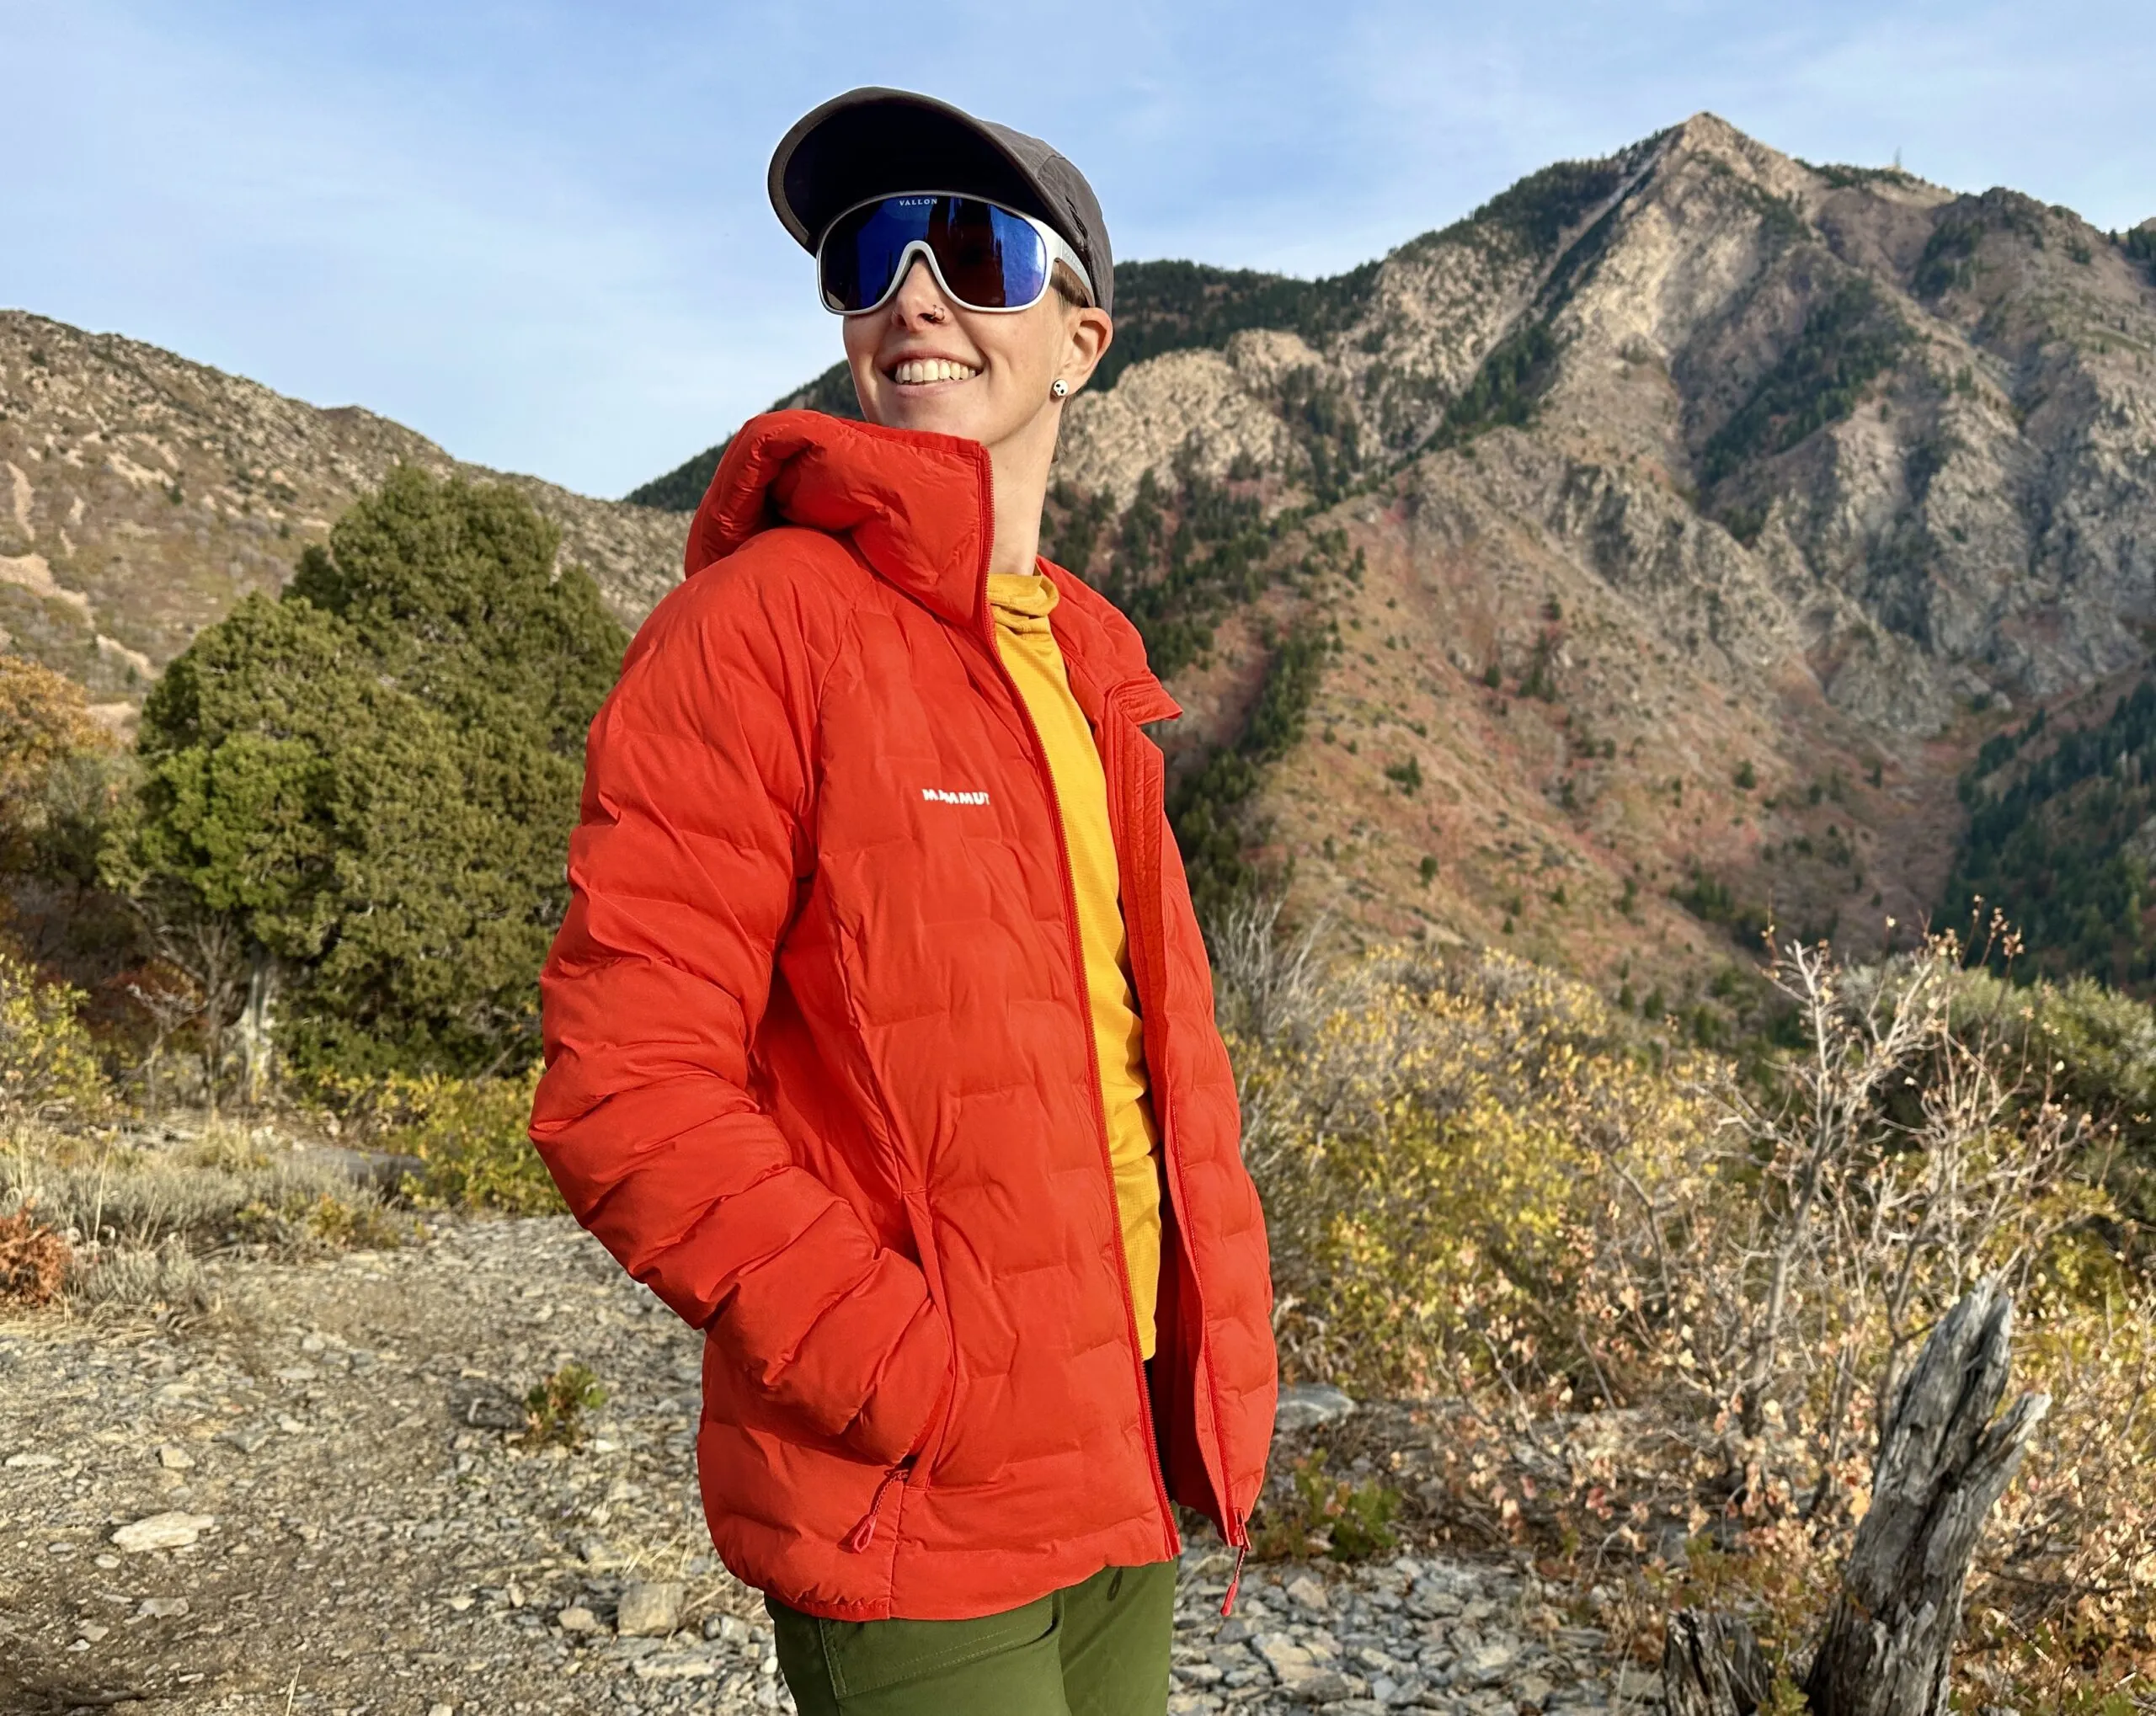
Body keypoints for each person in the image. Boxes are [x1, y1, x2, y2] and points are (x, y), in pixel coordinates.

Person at [530, 87, 1277, 1715]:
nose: (915, 294)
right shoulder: (762, 627)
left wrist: (1212, 1374)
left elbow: (1143, 1071)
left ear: (1081, 337)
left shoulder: (1090, 663)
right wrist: (910, 1368)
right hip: (915, 1494)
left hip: (1126, 1456)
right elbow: (625, 1091)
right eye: (871, 256)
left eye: (974, 248)